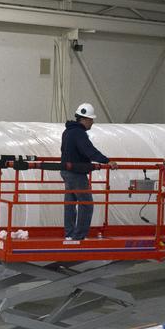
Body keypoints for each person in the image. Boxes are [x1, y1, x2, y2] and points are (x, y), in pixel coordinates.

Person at [60, 103, 117, 243]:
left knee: (70, 202)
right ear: (84, 120)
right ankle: (78, 236)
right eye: (91, 119)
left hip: (67, 171)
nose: (93, 122)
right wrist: (107, 161)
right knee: (86, 204)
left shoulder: (67, 131)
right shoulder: (79, 133)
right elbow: (89, 150)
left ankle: (70, 233)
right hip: (76, 173)